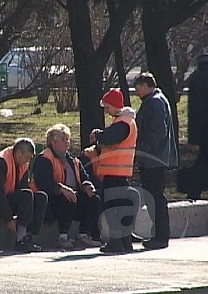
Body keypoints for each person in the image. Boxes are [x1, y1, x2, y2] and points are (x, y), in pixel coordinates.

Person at [31, 123, 100, 249]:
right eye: (63, 139)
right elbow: (44, 183)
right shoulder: (44, 158)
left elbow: (84, 177)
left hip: (72, 199)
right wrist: (62, 189)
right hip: (50, 201)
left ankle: (83, 235)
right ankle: (62, 237)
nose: (67, 142)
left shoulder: (73, 160)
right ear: (53, 142)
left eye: (68, 139)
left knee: (94, 199)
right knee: (67, 197)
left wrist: (87, 186)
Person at [0, 138, 48, 253]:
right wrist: (8, 219)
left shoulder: (22, 164)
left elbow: (23, 189)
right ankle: (20, 240)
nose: (28, 161)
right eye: (28, 157)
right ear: (19, 153)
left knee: (41, 197)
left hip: (6, 200)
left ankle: (28, 236)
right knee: (27, 195)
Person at [90, 89, 140, 253]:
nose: (106, 111)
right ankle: (124, 242)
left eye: (107, 107)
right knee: (120, 206)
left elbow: (110, 138)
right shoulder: (126, 121)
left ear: (114, 105)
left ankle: (116, 242)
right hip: (120, 173)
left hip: (115, 173)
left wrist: (98, 135)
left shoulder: (122, 123)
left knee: (111, 207)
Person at [134, 72, 178, 250]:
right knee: (154, 197)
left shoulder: (155, 102)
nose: (137, 92)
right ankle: (158, 235)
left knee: (155, 198)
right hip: (155, 158)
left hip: (153, 159)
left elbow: (158, 131)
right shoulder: (156, 100)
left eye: (138, 88)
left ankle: (160, 236)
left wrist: (143, 149)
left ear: (146, 86)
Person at [184, 53, 208, 200]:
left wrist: (193, 139)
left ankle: (193, 194)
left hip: (204, 133)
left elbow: (195, 112)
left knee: (200, 165)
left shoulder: (197, 80)